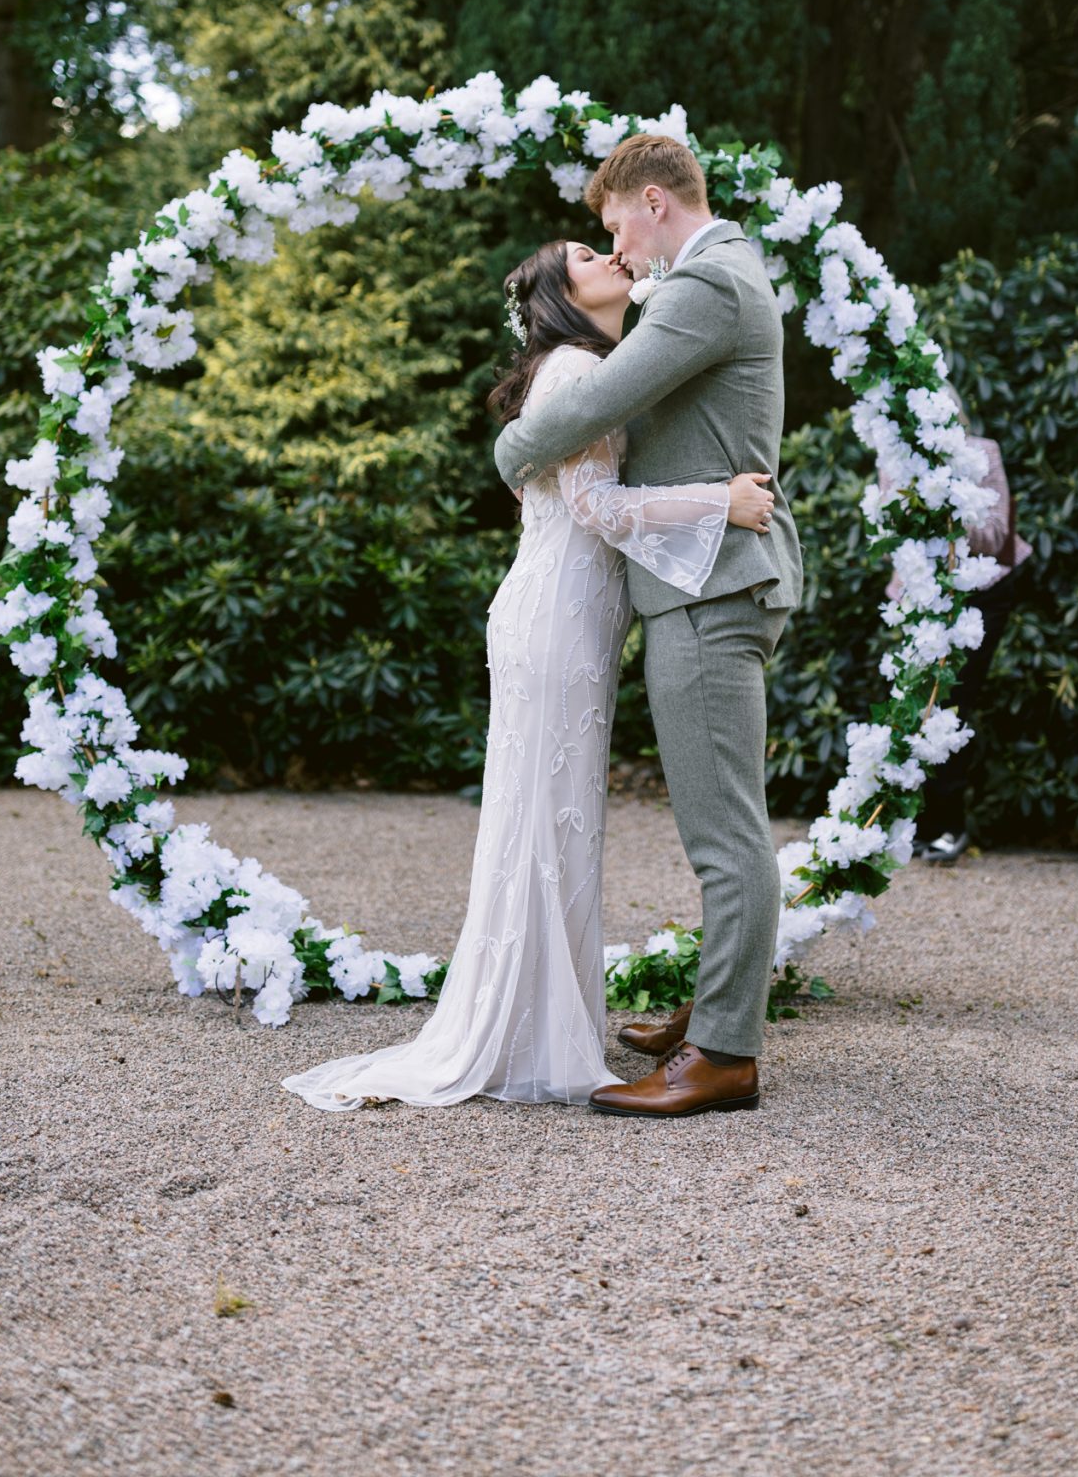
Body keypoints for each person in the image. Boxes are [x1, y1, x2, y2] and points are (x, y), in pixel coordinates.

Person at [280, 235, 775, 1113]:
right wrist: (719, 502)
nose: (614, 256)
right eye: (588, 253)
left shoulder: (589, 366)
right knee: (550, 819)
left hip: (571, 616)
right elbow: (590, 508)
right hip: (555, 617)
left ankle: (543, 1024)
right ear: (560, 291)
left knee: (556, 818)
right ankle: (529, 1036)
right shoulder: (574, 373)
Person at [493, 132, 803, 1118]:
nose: (616, 242)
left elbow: (604, 399)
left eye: (614, 220)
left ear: (656, 200)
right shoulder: (712, 276)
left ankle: (723, 1053)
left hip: (710, 586)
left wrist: (511, 447)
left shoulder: (705, 285)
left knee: (725, 832)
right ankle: (719, 1009)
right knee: (718, 818)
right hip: (701, 578)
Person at [884, 418, 1032, 865]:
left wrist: (947, 511)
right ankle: (910, 822)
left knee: (953, 699)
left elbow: (997, 537)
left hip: (983, 590)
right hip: (923, 594)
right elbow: (892, 524)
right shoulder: (895, 456)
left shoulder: (984, 453)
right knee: (913, 700)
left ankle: (949, 825)